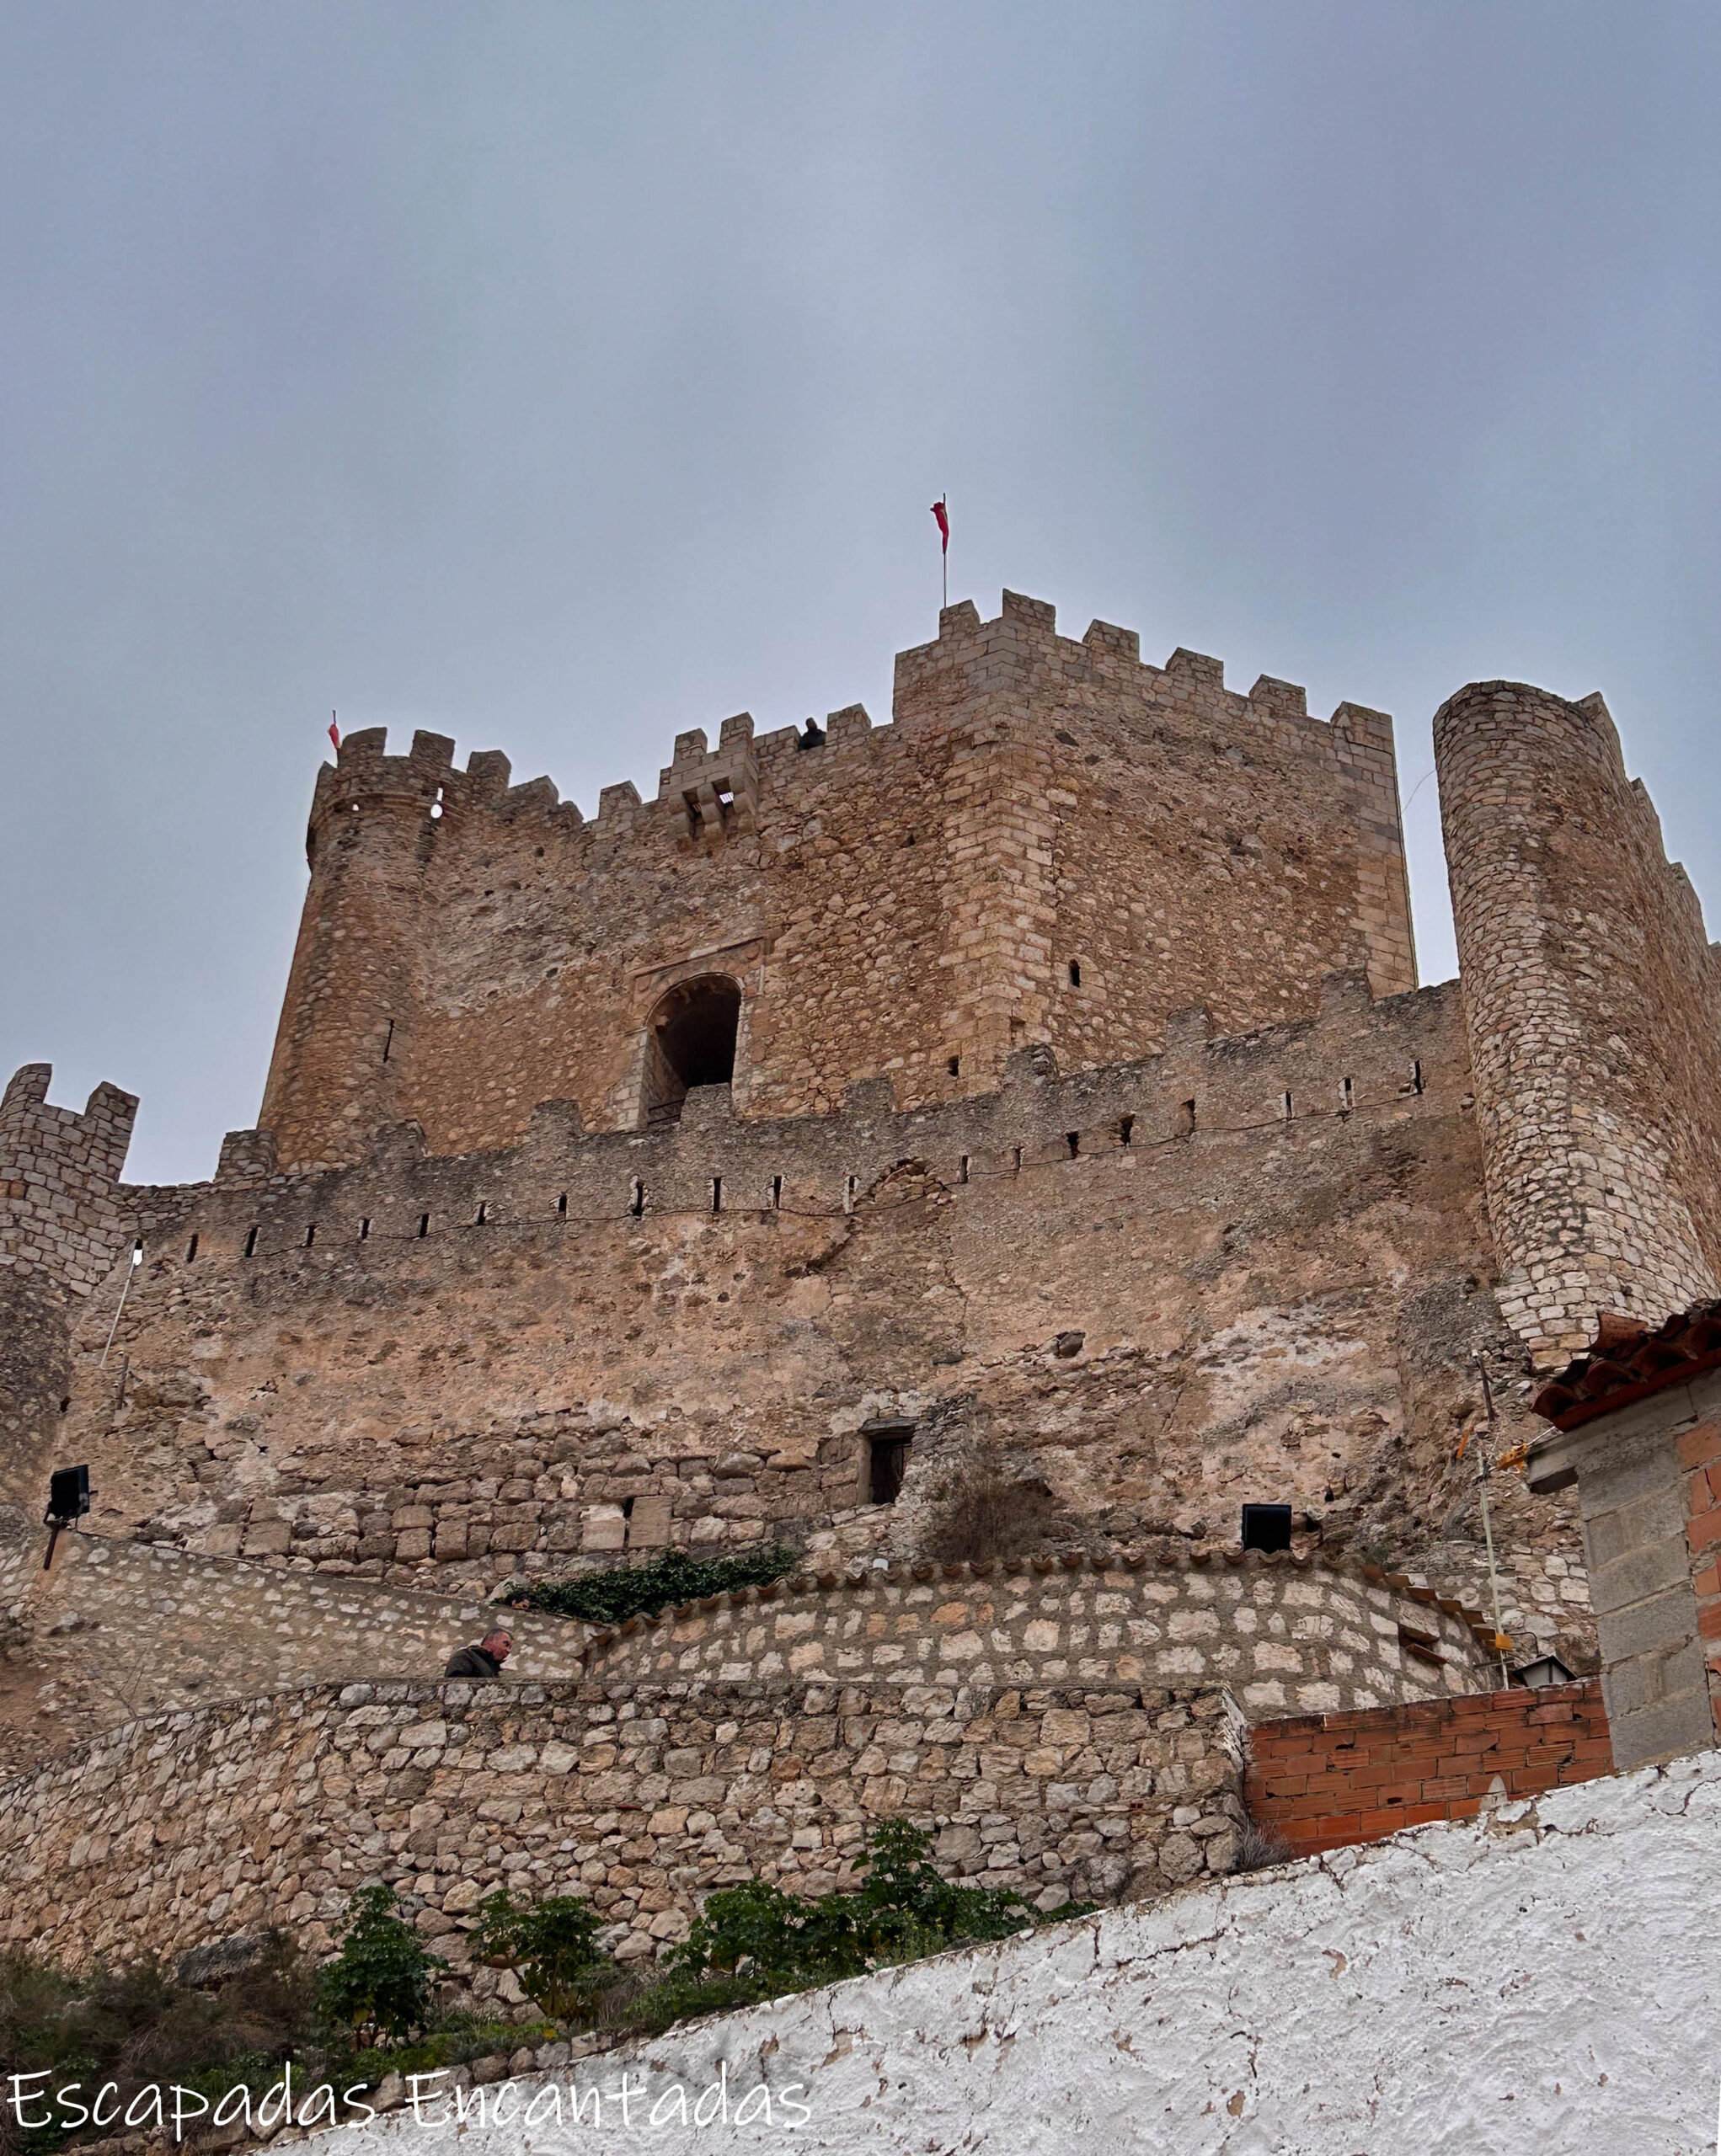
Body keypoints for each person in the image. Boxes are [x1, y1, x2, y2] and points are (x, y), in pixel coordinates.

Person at [443, 1627, 512, 1678]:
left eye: (510, 1648)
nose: (508, 1651)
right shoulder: (466, 1656)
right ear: (491, 1641)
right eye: (506, 1644)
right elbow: (454, 1685)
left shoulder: (493, 1670)